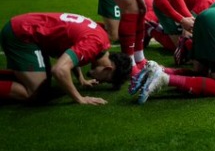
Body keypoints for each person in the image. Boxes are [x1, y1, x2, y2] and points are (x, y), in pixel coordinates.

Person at [0, 12, 131, 105]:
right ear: (108, 69)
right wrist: (80, 98)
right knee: (36, 94)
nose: (99, 81)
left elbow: (74, 52)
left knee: (42, 84)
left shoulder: (101, 42)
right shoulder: (93, 45)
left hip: (29, 29)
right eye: (106, 80)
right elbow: (58, 70)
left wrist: (81, 79)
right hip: (23, 34)